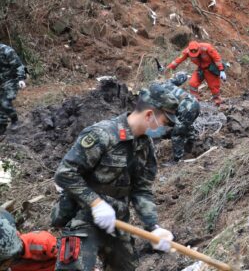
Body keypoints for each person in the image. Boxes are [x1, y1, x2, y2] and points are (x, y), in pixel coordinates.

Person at [52, 87, 179, 271]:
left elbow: (141, 189)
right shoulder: (102, 135)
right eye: (164, 122)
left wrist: (153, 227)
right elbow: (65, 174)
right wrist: (95, 203)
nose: (164, 128)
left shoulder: (145, 146)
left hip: (117, 222)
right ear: (149, 115)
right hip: (83, 216)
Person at [166, 41, 226, 106]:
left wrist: (221, 70)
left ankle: (218, 101)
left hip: (210, 69)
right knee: (192, 83)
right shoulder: (187, 51)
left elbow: (217, 58)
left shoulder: (207, 47)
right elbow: (178, 60)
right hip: (200, 69)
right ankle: (195, 100)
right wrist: (168, 68)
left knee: (214, 86)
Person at [160, 73, 200, 163]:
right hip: (195, 103)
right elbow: (180, 78)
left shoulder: (155, 95)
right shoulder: (167, 83)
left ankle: (177, 160)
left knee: (177, 134)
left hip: (186, 108)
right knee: (185, 125)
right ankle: (192, 144)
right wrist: (185, 75)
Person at [0, 44, 26, 136]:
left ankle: (15, 120)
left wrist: (21, 79)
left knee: (4, 103)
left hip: (11, 80)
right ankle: (2, 127)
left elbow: (19, 65)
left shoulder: (6, 50)